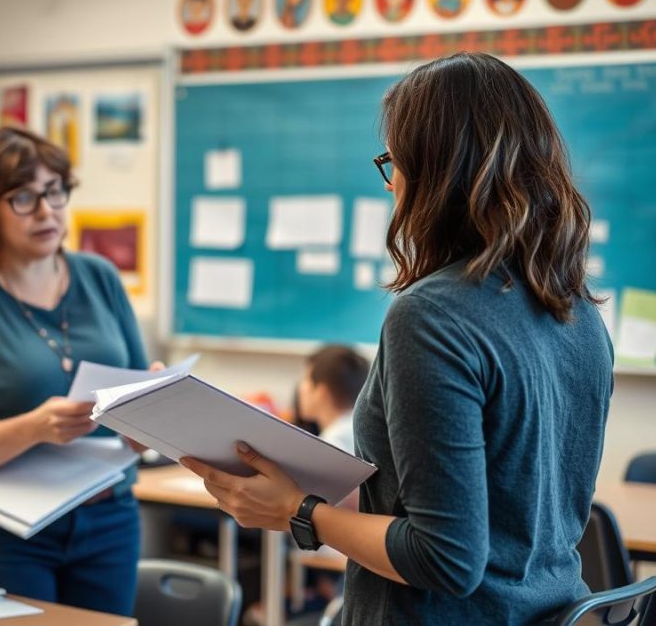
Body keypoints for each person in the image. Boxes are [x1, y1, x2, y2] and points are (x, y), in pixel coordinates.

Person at [181, 53, 613, 624]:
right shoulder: (577, 309)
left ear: (434, 173)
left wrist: (297, 511)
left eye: (394, 163)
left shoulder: (432, 317)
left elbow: (446, 559)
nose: (392, 187)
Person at [0, 127, 158, 616]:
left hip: (108, 519)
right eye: (24, 198)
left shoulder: (100, 277)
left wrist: (153, 414)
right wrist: (33, 428)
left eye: (55, 192)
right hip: (5, 532)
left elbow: (139, 396)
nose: (47, 211)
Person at [297, 345, 368, 455]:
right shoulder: (362, 432)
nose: (300, 388)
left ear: (321, 393)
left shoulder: (330, 446)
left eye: (306, 379)